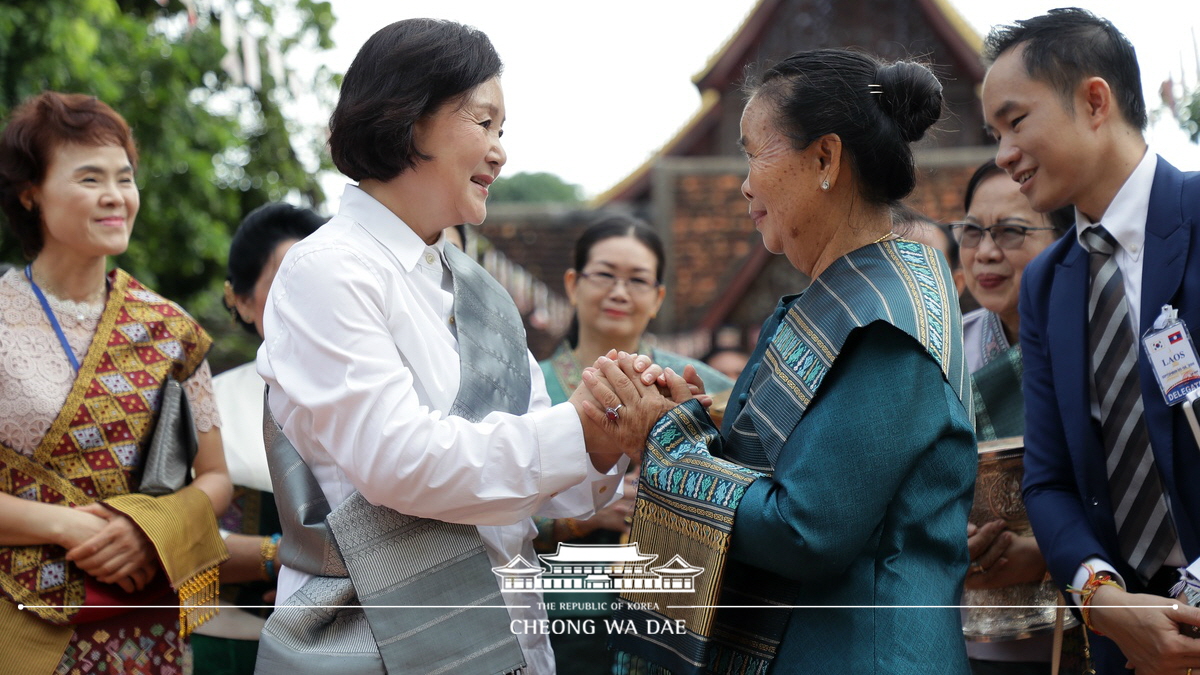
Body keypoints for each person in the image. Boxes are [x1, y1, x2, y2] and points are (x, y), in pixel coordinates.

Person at [254, 19, 635, 675]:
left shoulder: (482, 293)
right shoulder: (329, 270)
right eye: (483, 123)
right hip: (382, 642)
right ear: (410, 120)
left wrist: (613, 426)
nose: (499, 152)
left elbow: (548, 488)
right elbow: (397, 462)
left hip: (509, 640)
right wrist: (576, 435)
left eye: (502, 131)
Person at [587, 49, 976, 674]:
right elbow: (779, 476)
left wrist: (664, 440)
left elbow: (808, 528)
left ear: (825, 159)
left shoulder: (886, 324)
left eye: (753, 152)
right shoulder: (841, 298)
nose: (744, 183)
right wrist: (694, 427)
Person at [981, 9, 1200, 674]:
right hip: (1123, 646)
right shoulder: (1049, 281)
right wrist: (1103, 601)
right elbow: (1049, 482)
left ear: (1094, 100)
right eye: (996, 133)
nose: (1003, 153)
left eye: (1016, 122)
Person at [0, 92, 232, 674]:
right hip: (16, 621)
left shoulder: (170, 330)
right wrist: (71, 524)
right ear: (30, 193)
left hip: (140, 628)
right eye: (88, 177)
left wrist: (146, 530)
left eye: (124, 178)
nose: (114, 196)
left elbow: (215, 478)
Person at [535, 214, 733, 674]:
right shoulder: (530, 388)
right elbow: (481, 506)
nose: (620, 292)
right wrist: (577, 515)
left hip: (673, 620)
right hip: (561, 618)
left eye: (638, 280)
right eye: (604, 274)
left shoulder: (705, 389)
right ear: (572, 283)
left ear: (658, 297)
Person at [952, 159, 1076, 674]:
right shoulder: (945, 349)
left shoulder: (1091, 339)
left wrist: (1048, 551)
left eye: (1011, 232)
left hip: (1085, 624)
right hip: (971, 638)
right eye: (973, 232)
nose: (986, 252)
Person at [190, 202, 325, 674]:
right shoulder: (208, 403)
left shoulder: (377, 400)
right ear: (241, 299)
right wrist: (283, 559)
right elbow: (175, 535)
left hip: (347, 640)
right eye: (284, 284)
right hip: (226, 643)